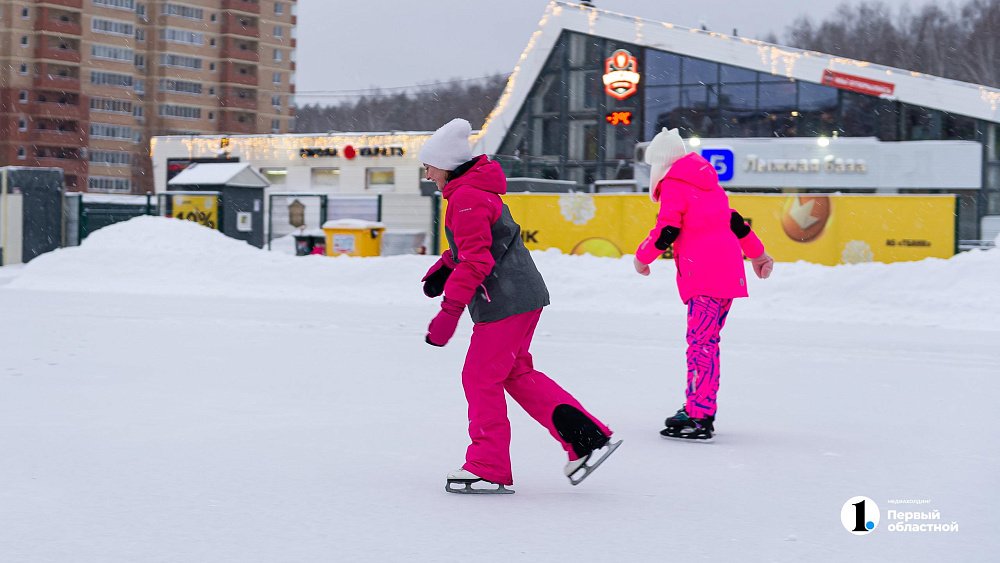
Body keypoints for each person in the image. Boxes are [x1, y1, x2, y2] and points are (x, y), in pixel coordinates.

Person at [419, 118, 621, 494]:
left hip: (505, 299)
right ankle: (585, 438)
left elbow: (478, 260)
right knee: (515, 373)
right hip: (521, 294)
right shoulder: (475, 191)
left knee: (479, 377)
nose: (427, 174)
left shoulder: (465, 197)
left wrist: (449, 313)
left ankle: (487, 465)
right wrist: (446, 266)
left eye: (429, 166)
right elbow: (481, 244)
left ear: (446, 164)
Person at [633, 128, 774, 441]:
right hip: (727, 274)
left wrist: (642, 257)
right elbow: (734, 220)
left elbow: (667, 229)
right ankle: (700, 406)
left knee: (701, 345)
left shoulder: (674, 184)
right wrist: (759, 254)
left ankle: (698, 415)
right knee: (707, 343)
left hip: (704, 276)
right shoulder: (707, 183)